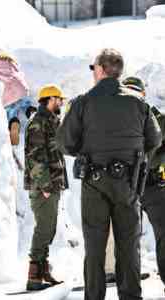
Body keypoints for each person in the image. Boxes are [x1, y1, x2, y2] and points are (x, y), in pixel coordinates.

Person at [57, 48, 162, 300]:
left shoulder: (82, 102)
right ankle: (130, 296)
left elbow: (64, 143)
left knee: (95, 246)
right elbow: (155, 138)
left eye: (94, 68)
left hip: (94, 182)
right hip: (128, 182)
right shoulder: (139, 103)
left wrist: (87, 147)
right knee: (128, 244)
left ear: (101, 70)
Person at [24, 85, 68, 290]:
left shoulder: (51, 121)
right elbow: (35, 156)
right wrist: (45, 185)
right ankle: (33, 276)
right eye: (59, 99)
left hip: (51, 184)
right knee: (43, 228)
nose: (61, 103)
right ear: (50, 99)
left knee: (48, 227)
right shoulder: (38, 122)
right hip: (44, 186)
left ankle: (43, 271)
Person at [123, 76, 165, 292]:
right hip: (124, 185)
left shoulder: (156, 117)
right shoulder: (114, 118)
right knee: (127, 238)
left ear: (143, 93)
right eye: (127, 90)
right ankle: (129, 288)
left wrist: (150, 162)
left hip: (151, 185)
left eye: (134, 91)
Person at [0, 50, 36, 145]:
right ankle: (31, 112)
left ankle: (14, 122)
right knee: (25, 104)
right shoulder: (11, 62)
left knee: (11, 113)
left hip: (9, 96)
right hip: (22, 90)